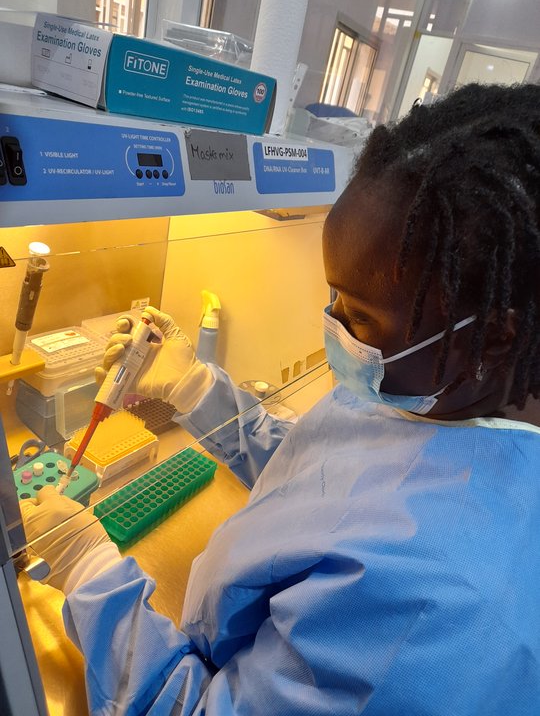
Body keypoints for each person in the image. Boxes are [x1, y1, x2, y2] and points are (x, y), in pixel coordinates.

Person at [21, 83, 540, 715]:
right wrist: (195, 388)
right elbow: (323, 476)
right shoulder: (440, 396)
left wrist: (89, 573)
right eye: (334, 297)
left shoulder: (429, 614)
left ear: (489, 335)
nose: (332, 324)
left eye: (359, 315)